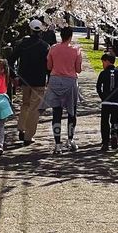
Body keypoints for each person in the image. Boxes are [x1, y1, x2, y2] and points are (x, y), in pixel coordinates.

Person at [43, 26, 83, 154]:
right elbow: (78, 69)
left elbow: (49, 66)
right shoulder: (76, 50)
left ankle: (57, 143)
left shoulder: (53, 49)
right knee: (72, 113)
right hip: (70, 82)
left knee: (56, 113)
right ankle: (70, 139)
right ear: (71, 36)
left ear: (61, 35)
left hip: (55, 81)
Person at [15, 20, 50, 145]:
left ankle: (21, 128)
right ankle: (28, 136)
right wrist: (49, 78)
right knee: (35, 107)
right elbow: (48, 65)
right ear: (40, 31)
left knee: (25, 104)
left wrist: (15, 75)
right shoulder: (45, 46)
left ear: (30, 30)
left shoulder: (22, 44)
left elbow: (12, 58)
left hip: (25, 79)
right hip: (39, 80)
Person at [96, 52, 118, 152]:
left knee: (104, 122)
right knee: (115, 120)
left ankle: (105, 142)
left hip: (106, 102)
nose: (102, 65)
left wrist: (102, 96)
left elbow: (98, 87)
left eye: (103, 62)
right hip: (116, 102)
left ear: (107, 61)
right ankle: (114, 134)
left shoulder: (103, 73)